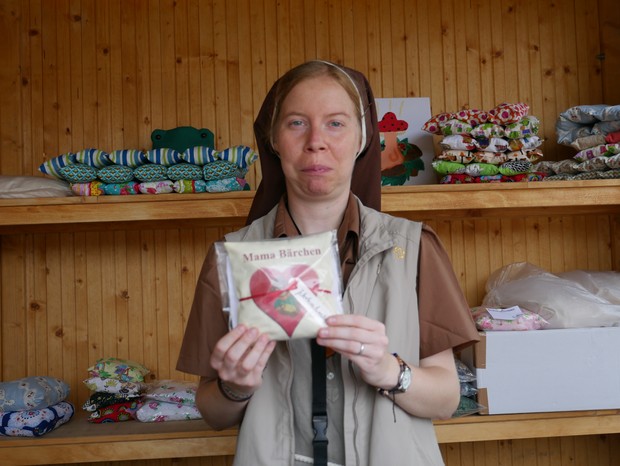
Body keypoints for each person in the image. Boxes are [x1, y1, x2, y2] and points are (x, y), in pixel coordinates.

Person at [176, 60, 480, 466]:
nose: (316, 141)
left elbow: (446, 398)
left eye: (336, 123)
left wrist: (388, 370)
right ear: (274, 140)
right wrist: (235, 387)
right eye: (297, 123)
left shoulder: (414, 248)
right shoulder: (232, 258)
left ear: (361, 139)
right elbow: (212, 412)